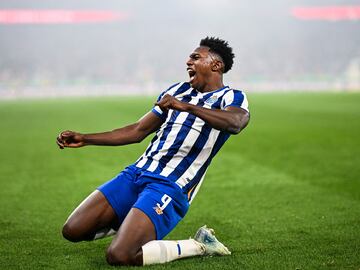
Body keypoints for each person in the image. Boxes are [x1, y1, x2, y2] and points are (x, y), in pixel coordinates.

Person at [56, 37, 250, 266]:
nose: (188, 61)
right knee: (73, 230)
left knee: (119, 255)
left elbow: (236, 122)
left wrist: (185, 107)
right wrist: (86, 138)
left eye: (196, 57)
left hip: (170, 185)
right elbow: (138, 130)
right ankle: (131, 225)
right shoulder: (176, 91)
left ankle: (198, 245)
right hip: (136, 174)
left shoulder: (231, 97)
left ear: (216, 65)